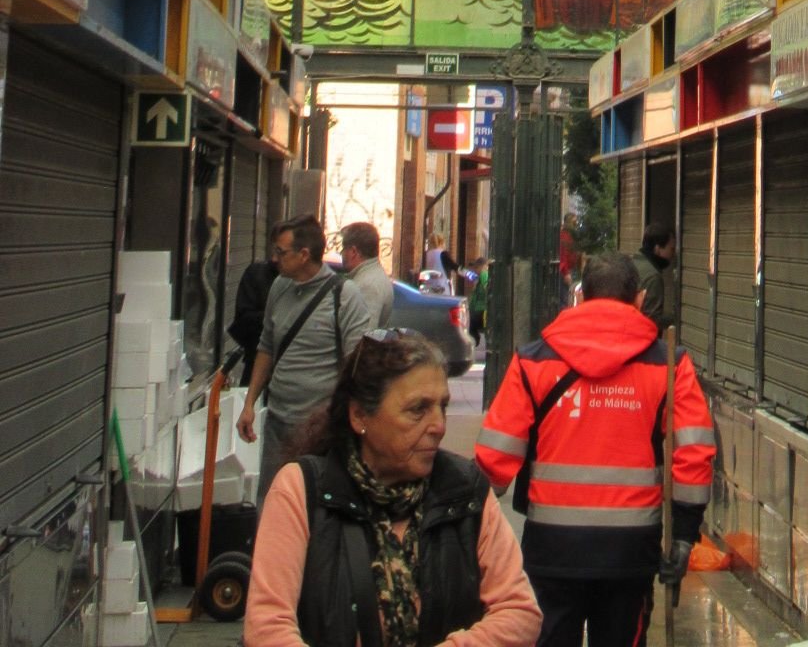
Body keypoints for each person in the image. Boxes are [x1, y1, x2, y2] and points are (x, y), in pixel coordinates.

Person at [474, 250, 715, 647]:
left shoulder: (533, 361)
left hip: (551, 548)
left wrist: (471, 530)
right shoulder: (669, 365)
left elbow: (493, 460)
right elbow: (694, 453)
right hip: (630, 551)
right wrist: (684, 536)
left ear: (582, 296)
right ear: (639, 299)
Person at [244, 327, 542, 647]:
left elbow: (520, 612)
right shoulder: (301, 490)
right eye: (418, 409)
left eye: (442, 406)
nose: (439, 426)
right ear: (360, 415)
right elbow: (267, 627)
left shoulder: (465, 490)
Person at [237, 215, 375, 504]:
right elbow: (266, 347)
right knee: (273, 500)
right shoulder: (279, 287)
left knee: (314, 503)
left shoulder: (344, 296)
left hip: (319, 427)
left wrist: (346, 418)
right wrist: (249, 404)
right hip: (278, 420)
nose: (274, 258)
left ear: (304, 255)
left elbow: (356, 364)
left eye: (281, 252)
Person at [228, 225, 282, 384]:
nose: (276, 258)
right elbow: (242, 321)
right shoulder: (257, 274)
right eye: (275, 249)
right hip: (256, 362)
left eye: (282, 252)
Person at [339, 220, 394, 329]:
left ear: (353, 252)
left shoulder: (367, 285)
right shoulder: (373, 276)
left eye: (344, 248)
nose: (341, 253)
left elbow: (364, 333)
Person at [633, 221, 677, 332]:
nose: (673, 254)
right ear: (657, 249)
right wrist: (676, 318)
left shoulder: (632, 263)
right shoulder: (653, 277)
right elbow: (651, 319)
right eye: (671, 249)